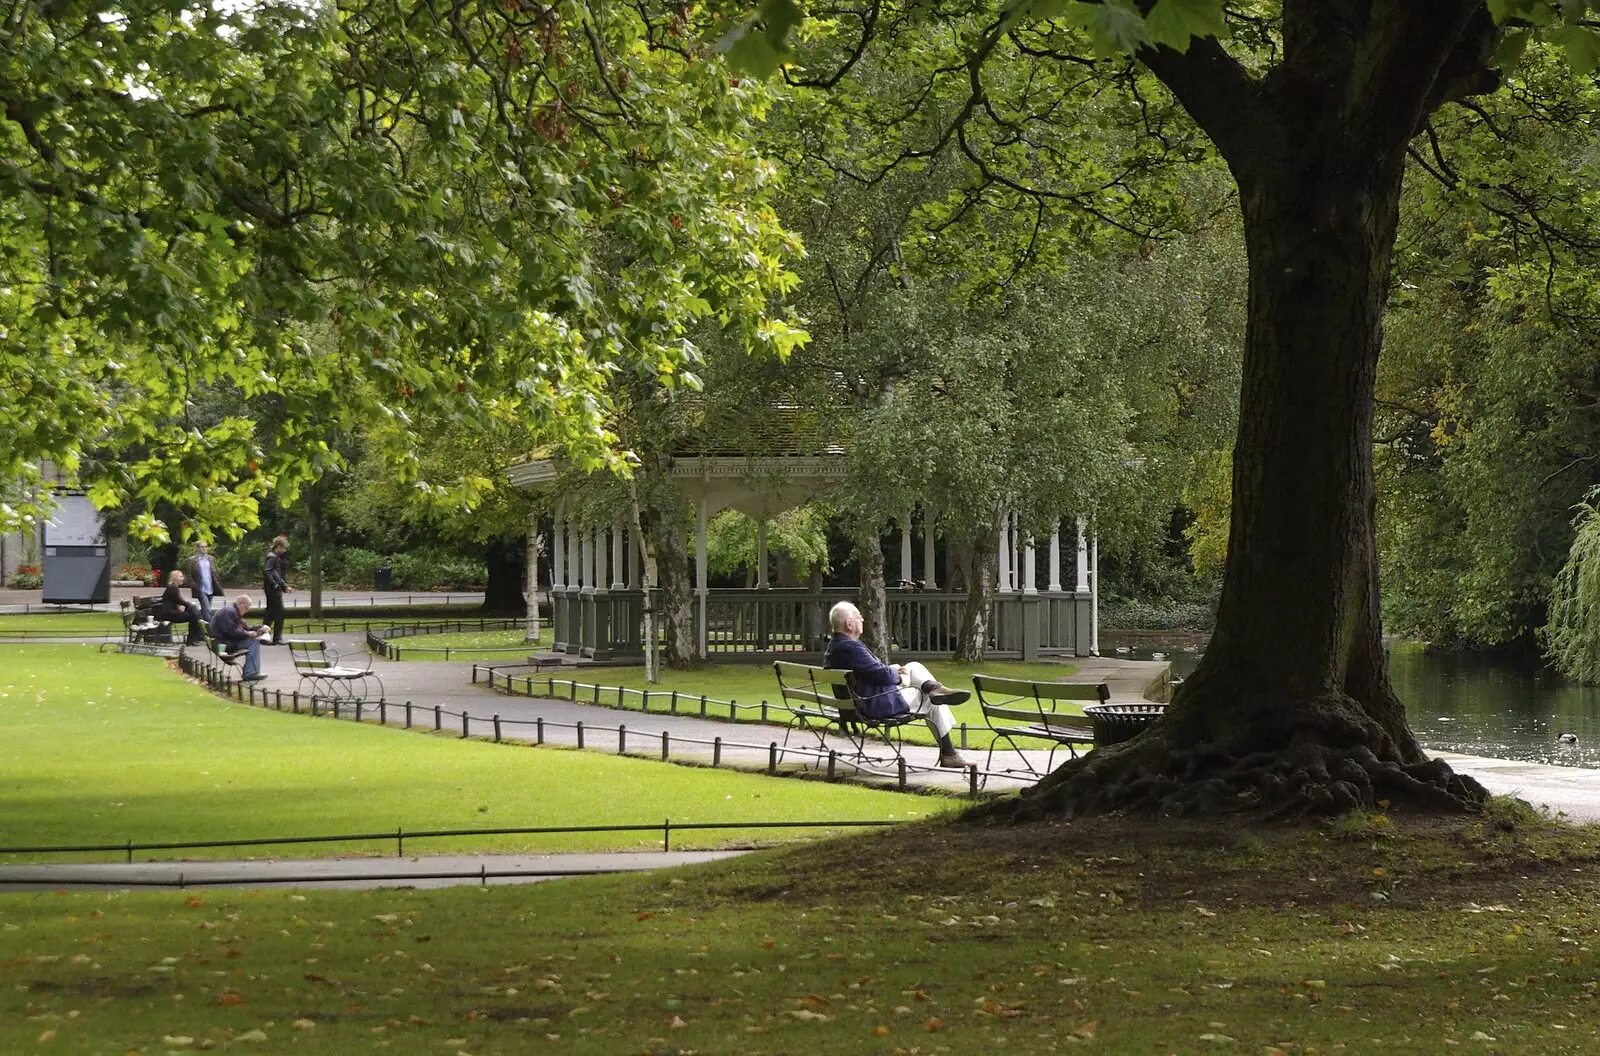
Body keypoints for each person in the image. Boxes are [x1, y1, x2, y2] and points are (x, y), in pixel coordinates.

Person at [822, 600, 972, 768]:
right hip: (875, 704)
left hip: (862, 700)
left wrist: (891, 670)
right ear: (849, 623)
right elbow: (883, 675)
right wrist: (898, 677)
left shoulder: (835, 646)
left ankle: (935, 688)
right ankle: (949, 753)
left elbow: (872, 672)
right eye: (858, 617)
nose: (862, 620)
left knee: (914, 667)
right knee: (929, 698)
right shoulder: (850, 647)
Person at [209, 594, 268, 681]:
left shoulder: (232, 611)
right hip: (223, 644)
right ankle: (251, 673)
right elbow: (232, 632)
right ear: (241, 603)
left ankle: (251, 671)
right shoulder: (229, 612)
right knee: (253, 641)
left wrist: (261, 627)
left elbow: (244, 628)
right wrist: (248, 634)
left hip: (224, 641)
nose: (247, 611)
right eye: (247, 608)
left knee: (253, 639)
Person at [155, 570, 206, 645]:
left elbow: (176, 601)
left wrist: (186, 606)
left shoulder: (173, 587)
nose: (183, 578)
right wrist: (190, 605)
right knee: (193, 616)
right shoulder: (173, 588)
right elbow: (180, 600)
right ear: (175, 578)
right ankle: (192, 639)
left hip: (172, 612)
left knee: (194, 614)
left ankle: (194, 638)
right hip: (169, 614)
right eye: (181, 576)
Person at [262, 535, 292, 645]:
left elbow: (276, 574)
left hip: (274, 588)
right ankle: (277, 637)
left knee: (270, 613)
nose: (284, 550)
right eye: (283, 548)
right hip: (273, 590)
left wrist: (284, 585)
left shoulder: (274, 557)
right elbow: (268, 571)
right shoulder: (272, 557)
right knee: (279, 613)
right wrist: (275, 584)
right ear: (279, 546)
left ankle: (264, 637)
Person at [185, 541, 225, 621]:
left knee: (206, 609)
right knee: (207, 609)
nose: (204, 548)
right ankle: (211, 627)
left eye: (206, 546)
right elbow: (189, 575)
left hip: (210, 587)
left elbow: (216, 572)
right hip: (200, 588)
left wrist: (217, 583)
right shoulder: (192, 560)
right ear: (198, 548)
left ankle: (203, 627)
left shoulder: (211, 559)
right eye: (202, 547)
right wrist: (195, 586)